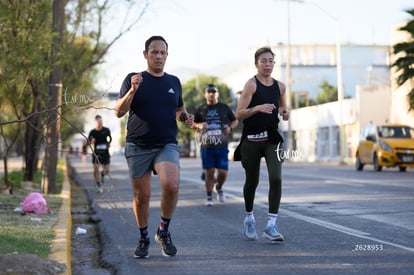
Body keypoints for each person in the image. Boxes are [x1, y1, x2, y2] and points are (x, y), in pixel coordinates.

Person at [114, 35, 194, 259]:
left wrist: (186, 117)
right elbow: (118, 111)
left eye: (162, 52)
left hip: (166, 143)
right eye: (154, 52)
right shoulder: (134, 78)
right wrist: (132, 90)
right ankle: (143, 237)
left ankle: (163, 231)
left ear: (167, 55)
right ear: (145, 54)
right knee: (143, 196)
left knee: (171, 185)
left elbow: (179, 110)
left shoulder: (174, 82)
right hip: (138, 145)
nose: (158, 56)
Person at [235, 46, 289, 242]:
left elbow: (282, 105)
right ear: (256, 64)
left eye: (270, 61)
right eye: (263, 61)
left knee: (276, 178)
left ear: (274, 63)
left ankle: (271, 225)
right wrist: (257, 108)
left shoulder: (281, 86)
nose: (267, 64)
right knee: (252, 181)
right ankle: (249, 218)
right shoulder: (251, 85)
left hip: (272, 138)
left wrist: (285, 112)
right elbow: (239, 113)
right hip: (251, 139)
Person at [193, 84, 238, 206]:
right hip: (207, 146)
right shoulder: (201, 109)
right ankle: (209, 196)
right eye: (209, 92)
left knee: (223, 173)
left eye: (214, 92)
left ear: (217, 94)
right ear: (205, 94)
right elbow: (192, 123)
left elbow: (235, 121)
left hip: (222, 146)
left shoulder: (224, 108)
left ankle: (218, 187)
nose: (211, 94)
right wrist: (198, 126)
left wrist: (230, 128)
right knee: (210, 172)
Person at [88, 115, 112, 193]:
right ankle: (98, 183)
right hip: (96, 153)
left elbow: (110, 138)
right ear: (95, 123)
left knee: (107, 170)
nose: (100, 123)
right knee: (95, 169)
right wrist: (92, 142)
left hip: (105, 153)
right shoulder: (92, 132)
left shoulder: (106, 130)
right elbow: (88, 142)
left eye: (101, 122)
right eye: (98, 122)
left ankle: (103, 174)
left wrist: (108, 143)